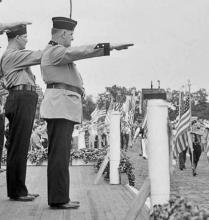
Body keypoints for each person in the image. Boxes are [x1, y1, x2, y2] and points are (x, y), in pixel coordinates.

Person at [40, 16, 133, 209]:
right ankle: (58, 199)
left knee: (61, 154)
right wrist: (110, 46)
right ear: (63, 33)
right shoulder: (55, 51)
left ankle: (60, 196)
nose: (72, 39)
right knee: (59, 155)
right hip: (60, 108)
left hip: (62, 107)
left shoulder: (55, 52)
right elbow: (80, 51)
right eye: (71, 34)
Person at [0, 23, 41, 202]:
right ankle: (17, 191)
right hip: (20, 98)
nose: (27, 40)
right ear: (16, 38)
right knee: (18, 147)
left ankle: (19, 188)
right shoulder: (13, 55)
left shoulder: (13, 55)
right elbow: (38, 55)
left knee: (20, 146)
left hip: (22, 98)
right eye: (24, 37)